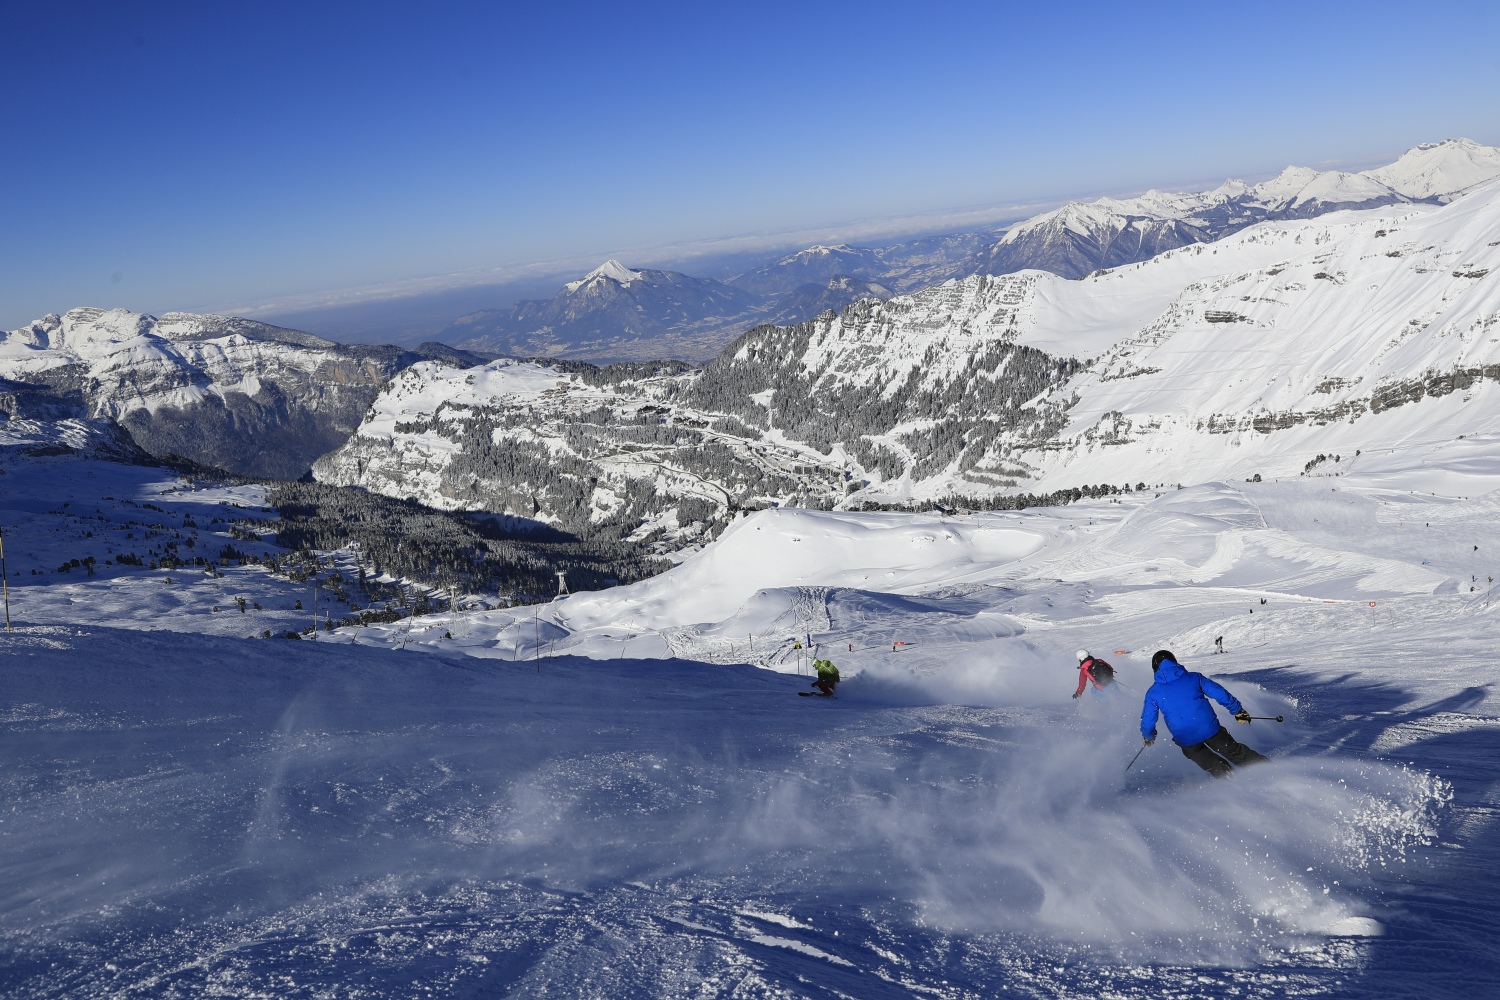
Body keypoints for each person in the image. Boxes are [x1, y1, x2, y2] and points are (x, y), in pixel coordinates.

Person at [1140, 649, 1268, 777]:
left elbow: (1148, 720)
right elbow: (1219, 693)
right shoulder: (1194, 678)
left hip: (1187, 740)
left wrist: (1148, 737)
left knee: (1215, 766)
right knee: (1236, 753)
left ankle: (1233, 784)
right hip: (1211, 730)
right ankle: (1269, 771)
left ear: (1155, 668)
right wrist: (1238, 711)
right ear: (1174, 662)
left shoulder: (1153, 693)